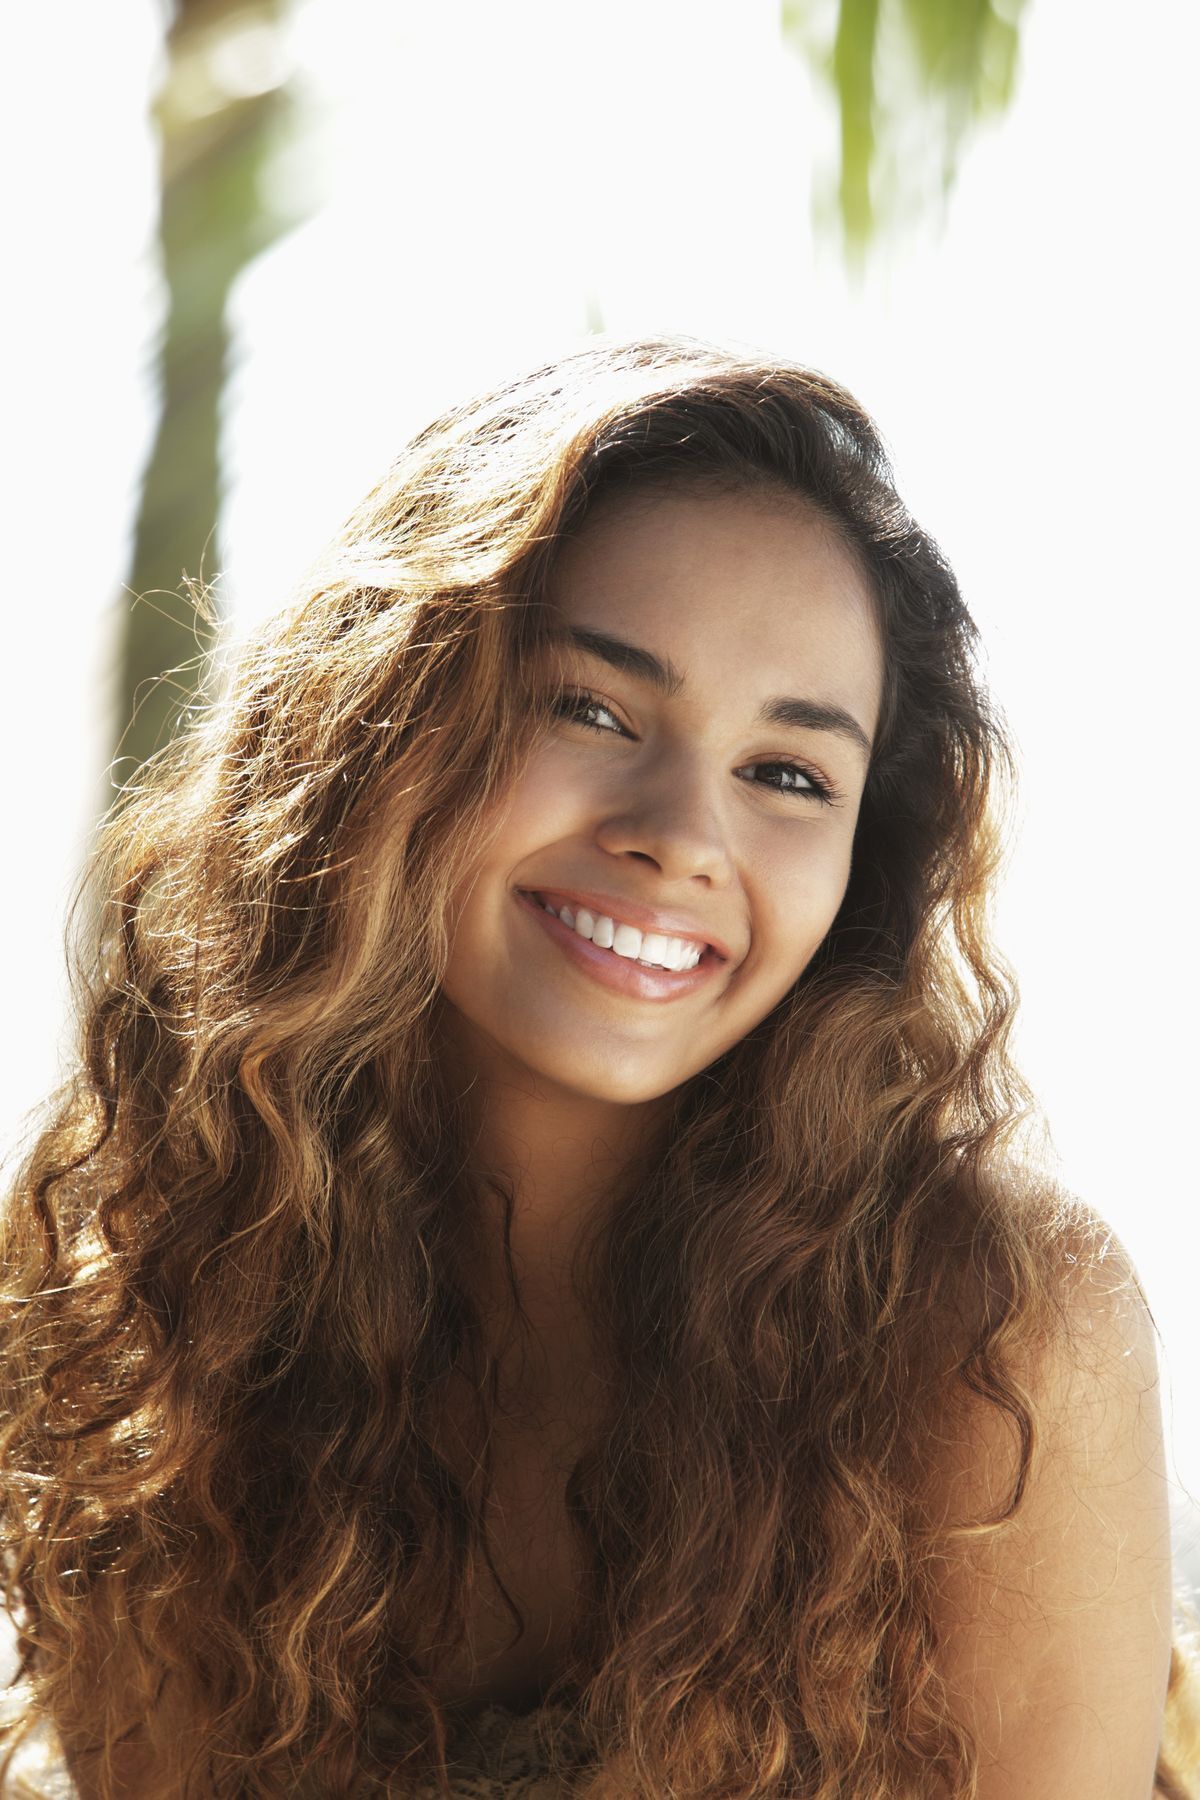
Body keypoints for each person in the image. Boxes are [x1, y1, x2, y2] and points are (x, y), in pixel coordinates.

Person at [1, 336, 1197, 1798]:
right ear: (386, 720)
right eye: (592, 707)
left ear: (862, 861)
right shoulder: (148, 1278)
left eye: (789, 774)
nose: (686, 833)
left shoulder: (994, 1332)